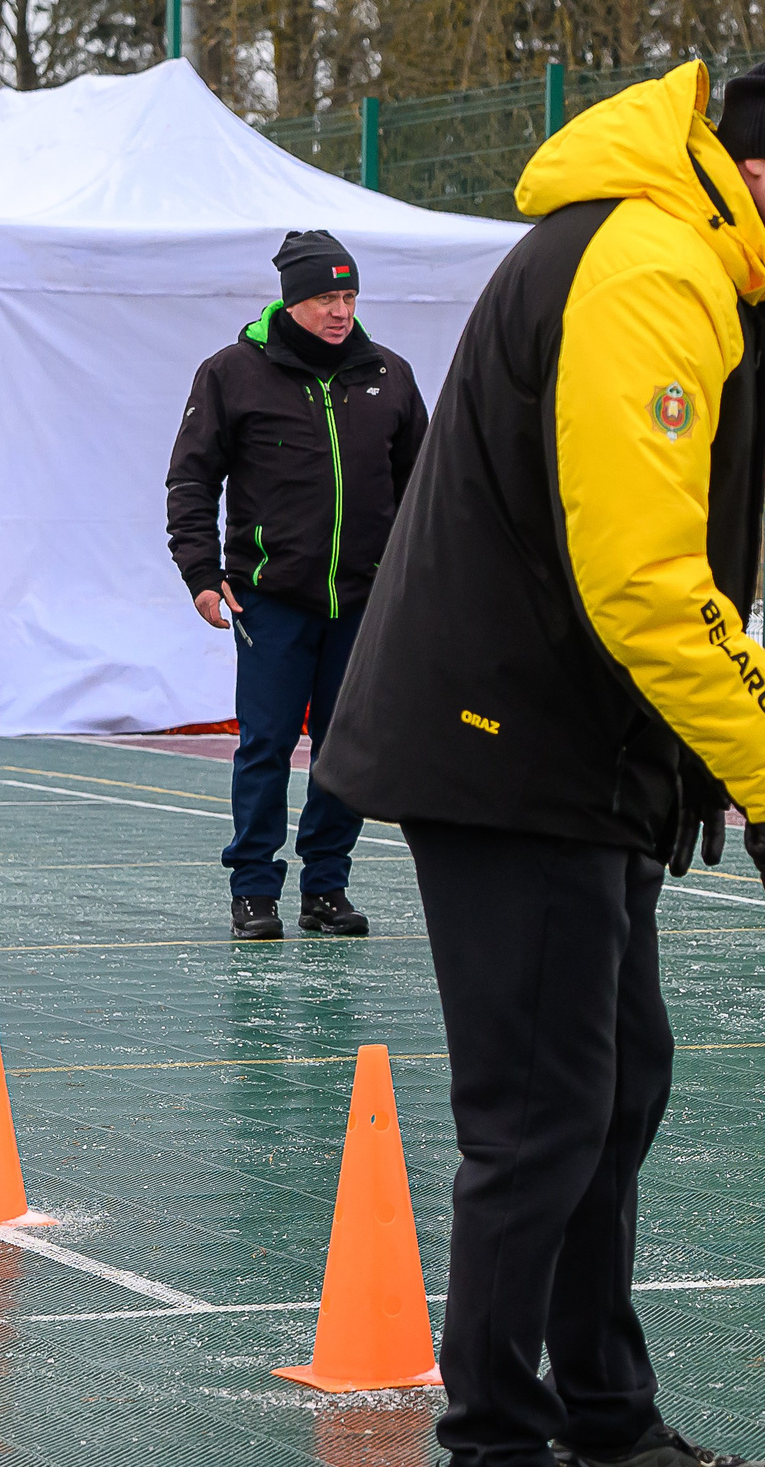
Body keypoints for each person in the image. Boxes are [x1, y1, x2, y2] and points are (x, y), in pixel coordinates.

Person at [314, 48, 765, 1467]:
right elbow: (642, 574)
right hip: (503, 745)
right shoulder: (648, 260)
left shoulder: (687, 256)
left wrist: (694, 761)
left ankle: (604, 1418)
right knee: (541, 1117)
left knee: (615, 1087)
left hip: (563, 749)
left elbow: (637, 568)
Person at [165, 231, 427, 941]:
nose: (340, 311)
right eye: (325, 298)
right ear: (293, 300)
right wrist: (200, 571)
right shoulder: (231, 374)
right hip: (270, 598)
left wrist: (417, 582)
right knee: (267, 743)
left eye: (348, 297)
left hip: (365, 602)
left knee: (346, 746)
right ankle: (253, 890)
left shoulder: (389, 377)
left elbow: (424, 488)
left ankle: (326, 887)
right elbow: (192, 478)